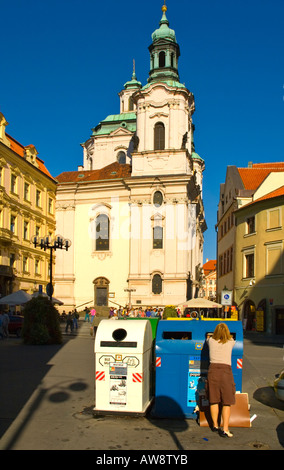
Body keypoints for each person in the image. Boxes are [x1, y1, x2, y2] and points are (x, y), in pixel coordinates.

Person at [207, 323, 236, 438]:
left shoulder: (210, 341)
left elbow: (208, 337)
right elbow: (232, 338)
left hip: (213, 370)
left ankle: (215, 425)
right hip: (225, 372)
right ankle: (225, 429)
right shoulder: (231, 342)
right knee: (226, 402)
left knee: (214, 399)